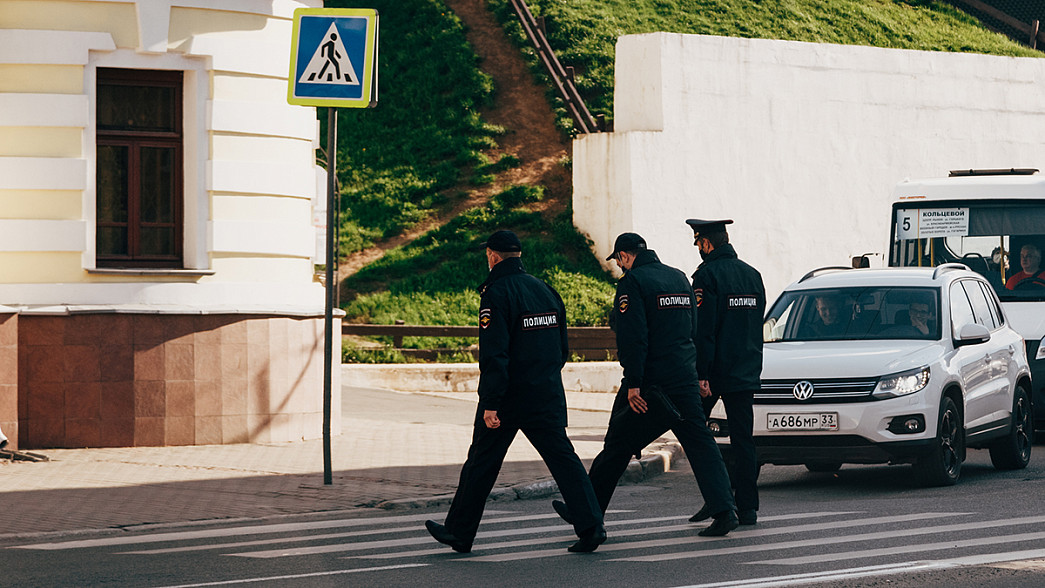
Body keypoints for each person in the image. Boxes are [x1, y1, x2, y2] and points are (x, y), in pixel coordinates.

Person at [425, 230, 607, 554]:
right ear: (518, 256)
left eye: (488, 255)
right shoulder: (546, 290)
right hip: (546, 393)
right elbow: (562, 349)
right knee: (565, 461)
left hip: (508, 398)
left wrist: (492, 403)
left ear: (493, 257)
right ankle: (592, 527)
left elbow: (495, 355)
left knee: (481, 462)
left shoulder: (495, 293)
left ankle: (459, 532)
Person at [552, 232, 739, 537]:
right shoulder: (679, 277)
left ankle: (585, 512)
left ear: (625, 256)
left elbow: (634, 337)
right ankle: (725, 510)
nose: (620, 266)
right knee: (700, 444)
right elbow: (693, 328)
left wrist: (633, 383)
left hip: (652, 385)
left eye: (619, 261)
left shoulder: (633, 283)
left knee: (616, 447)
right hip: (684, 377)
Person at [685, 218, 766, 527]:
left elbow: (703, 330)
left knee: (696, 435)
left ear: (706, 243)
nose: (698, 249)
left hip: (715, 370)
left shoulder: (707, 276)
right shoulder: (752, 275)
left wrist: (701, 373)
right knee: (744, 440)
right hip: (745, 369)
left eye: (698, 244)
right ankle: (747, 508)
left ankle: (719, 500)